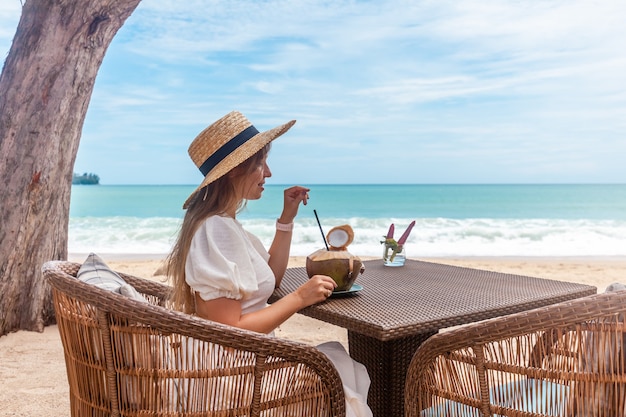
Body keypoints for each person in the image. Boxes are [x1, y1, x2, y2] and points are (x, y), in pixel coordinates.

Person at [166, 111, 372, 417]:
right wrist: (299, 298)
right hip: (234, 376)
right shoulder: (217, 229)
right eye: (260, 163)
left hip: (243, 361)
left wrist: (286, 219)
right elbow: (231, 329)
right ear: (236, 171)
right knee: (338, 366)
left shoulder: (223, 224)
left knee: (339, 357)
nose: (269, 173)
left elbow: (270, 279)